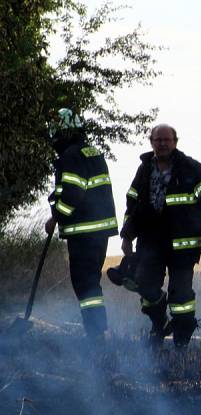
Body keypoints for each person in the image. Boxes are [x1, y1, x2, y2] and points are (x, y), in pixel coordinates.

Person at [120, 124, 201, 351]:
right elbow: (132, 205)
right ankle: (159, 322)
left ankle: (182, 340)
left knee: (181, 295)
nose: (162, 143)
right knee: (144, 284)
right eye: (158, 139)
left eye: (167, 139)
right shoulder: (144, 170)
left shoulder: (192, 169)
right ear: (151, 142)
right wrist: (127, 236)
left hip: (183, 245)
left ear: (175, 141)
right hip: (150, 242)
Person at [45, 108, 118, 347]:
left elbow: (73, 193)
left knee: (85, 283)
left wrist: (56, 216)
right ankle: (97, 331)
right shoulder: (92, 152)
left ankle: (96, 335)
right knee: (90, 280)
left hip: (84, 231)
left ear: (62, 132)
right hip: (98, 230)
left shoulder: (70, 156)